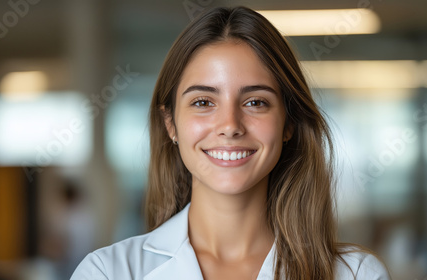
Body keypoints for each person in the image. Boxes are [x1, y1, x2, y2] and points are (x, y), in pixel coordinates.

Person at [71, 6, 390, 280]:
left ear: (288, 123)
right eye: (202, 102)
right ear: (171, 124)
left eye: (255, 102)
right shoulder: (109, 272)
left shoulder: (356, 273)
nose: (230, 126)